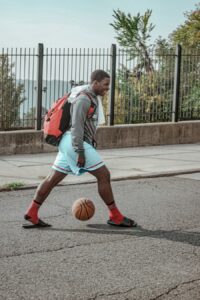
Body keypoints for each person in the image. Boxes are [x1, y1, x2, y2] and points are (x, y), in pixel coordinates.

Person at [23, 70, 137, 228]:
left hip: (69, 143)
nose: (107, 88)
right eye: (105, 85)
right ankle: (115, 216)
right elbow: (76, 127)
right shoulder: (84, 99)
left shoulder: (91, 97)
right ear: (95, 83)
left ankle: (32, 212)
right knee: (104, 175)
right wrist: (80, 152)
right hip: (74, 143)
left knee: (52, 179)